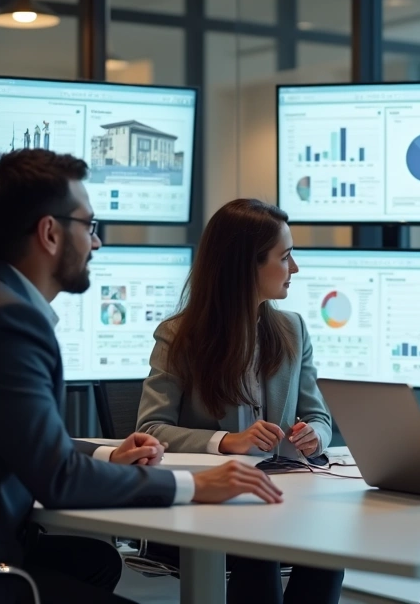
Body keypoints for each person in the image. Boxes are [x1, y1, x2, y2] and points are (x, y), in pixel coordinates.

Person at [0, 150, 283, 604]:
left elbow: (32, 444)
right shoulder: (3, 322)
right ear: (49, 233)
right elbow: (59, 481)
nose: (96, 243)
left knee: (94, 561)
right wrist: (196, 484)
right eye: (89, 226)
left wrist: (105, 454)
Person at [137, 198, 343, 604]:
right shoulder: (180, 337)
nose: (295, 269)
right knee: (258, 552)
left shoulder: (292, 328)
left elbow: (318, 415)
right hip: (215, 501)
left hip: (282, 493)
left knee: (330, 546)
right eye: (285, 258)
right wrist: (228, 441)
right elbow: (149, 429)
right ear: (248, 265)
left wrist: (314, 436)